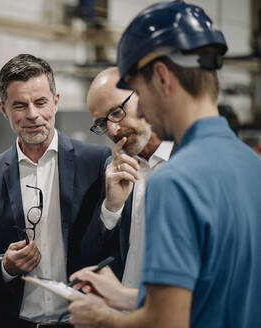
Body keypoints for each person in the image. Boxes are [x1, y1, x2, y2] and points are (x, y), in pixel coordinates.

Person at [68, 1, 261, 327]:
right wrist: (126, 296)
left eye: (137, 93)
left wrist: (104, 317)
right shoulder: (251, 166)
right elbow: (209, 289)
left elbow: (166, 321)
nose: (141, 111)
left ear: (161, 78)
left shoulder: (175, 181)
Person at [0, 54, 113, 327]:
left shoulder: (96, 163)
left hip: (81, 322)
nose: (32, 114)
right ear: (4, 109)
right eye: (20, 105)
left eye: (40, 102)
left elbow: (113, 245)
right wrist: (6, 268)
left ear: (55, 101)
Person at [71, 66, 174, 311]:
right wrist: (111, 208)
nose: (113, 130)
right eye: (101, 123)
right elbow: (91, 258)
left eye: (116, 113)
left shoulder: (191, 162)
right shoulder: (112, 168)